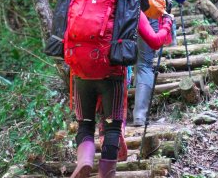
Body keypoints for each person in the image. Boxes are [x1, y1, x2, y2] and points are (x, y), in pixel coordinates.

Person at [71, 11, 174, 178]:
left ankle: (85, 161)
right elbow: (155, 41)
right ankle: (106, 174)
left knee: (85, 125)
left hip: (82, 71)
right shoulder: (129, 2)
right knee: (112, 126)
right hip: (112, 73)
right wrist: (167, 22)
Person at [130, 0, 186, 126]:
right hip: (150, 17)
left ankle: (114, 118)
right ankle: (139, 116)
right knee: (144, 65)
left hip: (122, 14)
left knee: (122, 62)